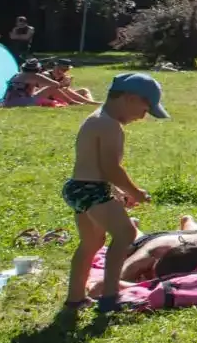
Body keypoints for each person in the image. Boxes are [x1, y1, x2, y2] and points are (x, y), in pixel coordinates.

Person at [63, 72, 168, 314]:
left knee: (90, 243)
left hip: (79, 187)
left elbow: (98, 167)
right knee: (126, 233)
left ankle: (75, 298)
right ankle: (111, 295)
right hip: (92, 189)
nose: (143, 116)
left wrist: (118, 191)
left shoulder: (96, 119)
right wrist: (136, 192)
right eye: (145, 108)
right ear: (130, 98)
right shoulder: (110, 125)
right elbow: (111, 167)